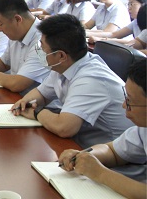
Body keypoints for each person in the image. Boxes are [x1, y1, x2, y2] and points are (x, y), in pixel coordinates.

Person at [11, 14, 133, 149]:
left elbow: (64, 128)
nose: (40, 51)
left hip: (111, 152)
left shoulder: (90, 79)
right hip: (82, 142)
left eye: (43, 47)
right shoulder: (64, 65)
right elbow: (42, 94)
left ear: (61, 55)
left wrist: (37, 112)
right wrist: (24, 103)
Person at [58, 59, 146, 198]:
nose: (124, 105)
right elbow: (113, 151)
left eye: (130, 101)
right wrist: (84, 156)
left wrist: (100, 173)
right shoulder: (143, 129)